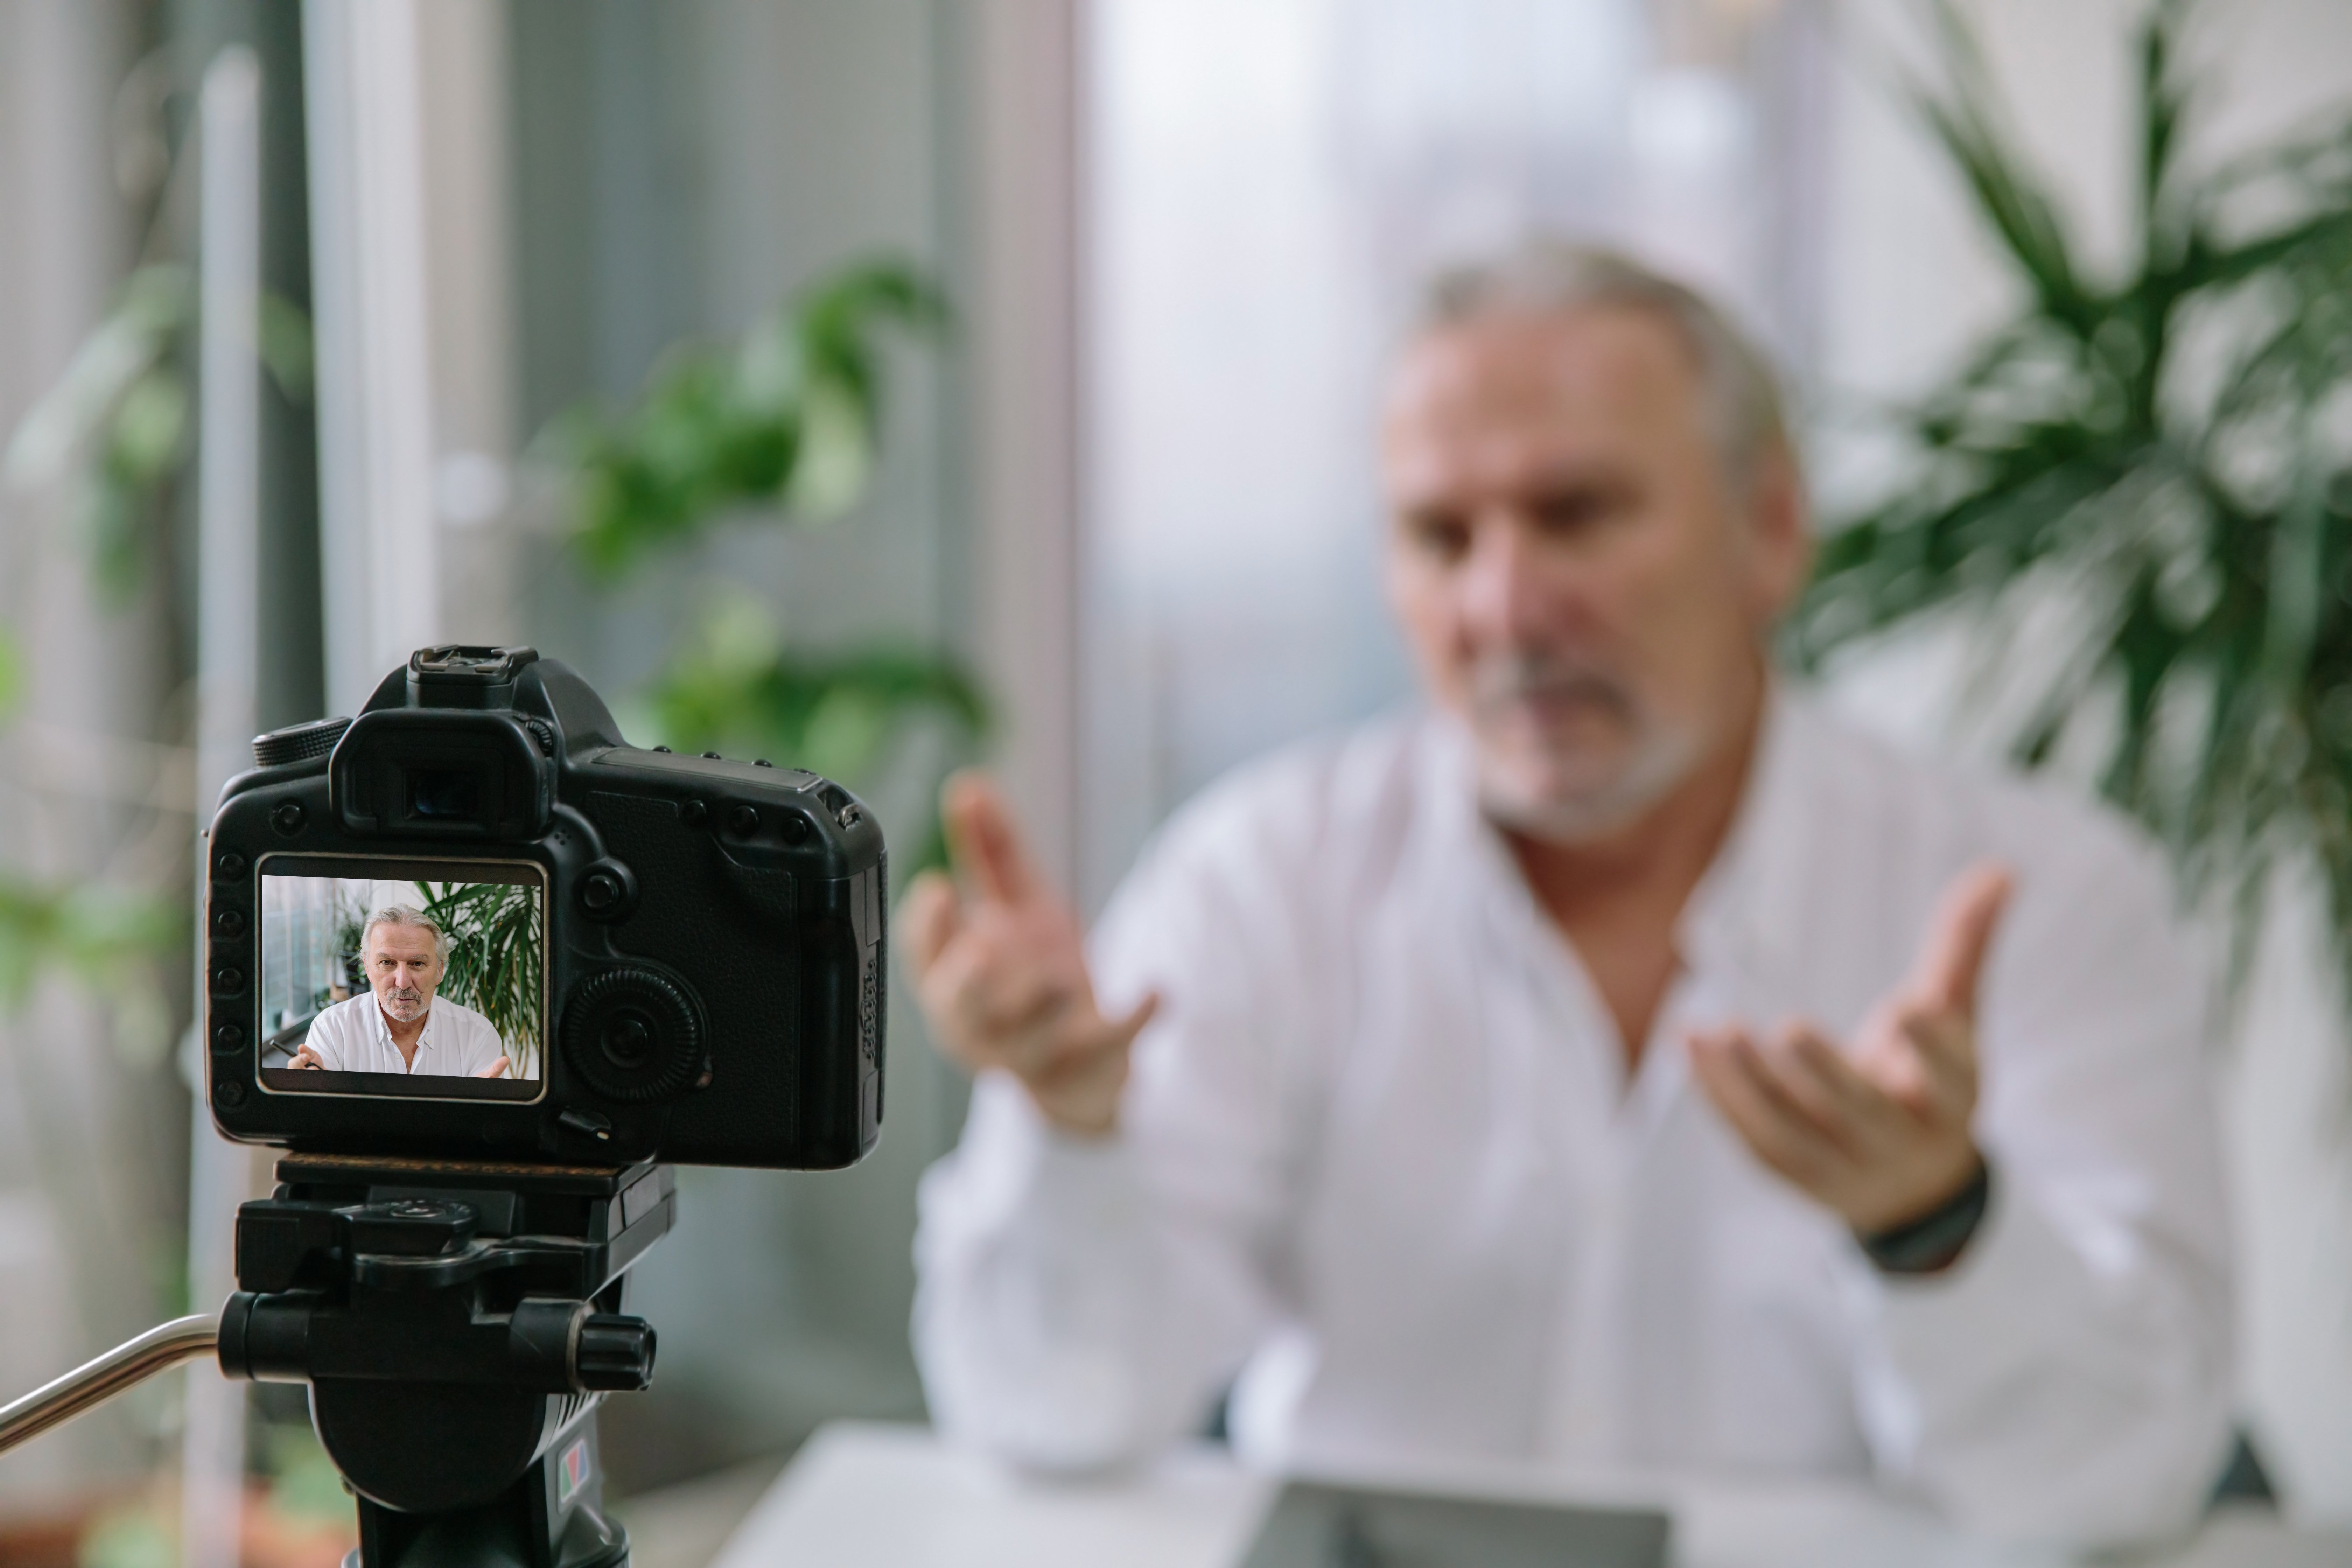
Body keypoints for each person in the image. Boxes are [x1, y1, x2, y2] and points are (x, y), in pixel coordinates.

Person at [903, 244, 2234, 1542]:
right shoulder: (1262, 878)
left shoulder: (2037, 896)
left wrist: (1932, 1219)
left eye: (1575, 514)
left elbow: (2121, 1488)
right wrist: (1065, 1129)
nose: (1503, 604)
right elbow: (1045, 1415)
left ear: (1766, 530)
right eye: (1438, 535)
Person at [292, 905, 512, 1078]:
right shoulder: (331, 1030)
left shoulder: (478, 1035)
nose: (403, 982)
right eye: (387, 963)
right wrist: (309, 1098)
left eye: (417, 964)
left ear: (440, 970)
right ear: (368, 968)